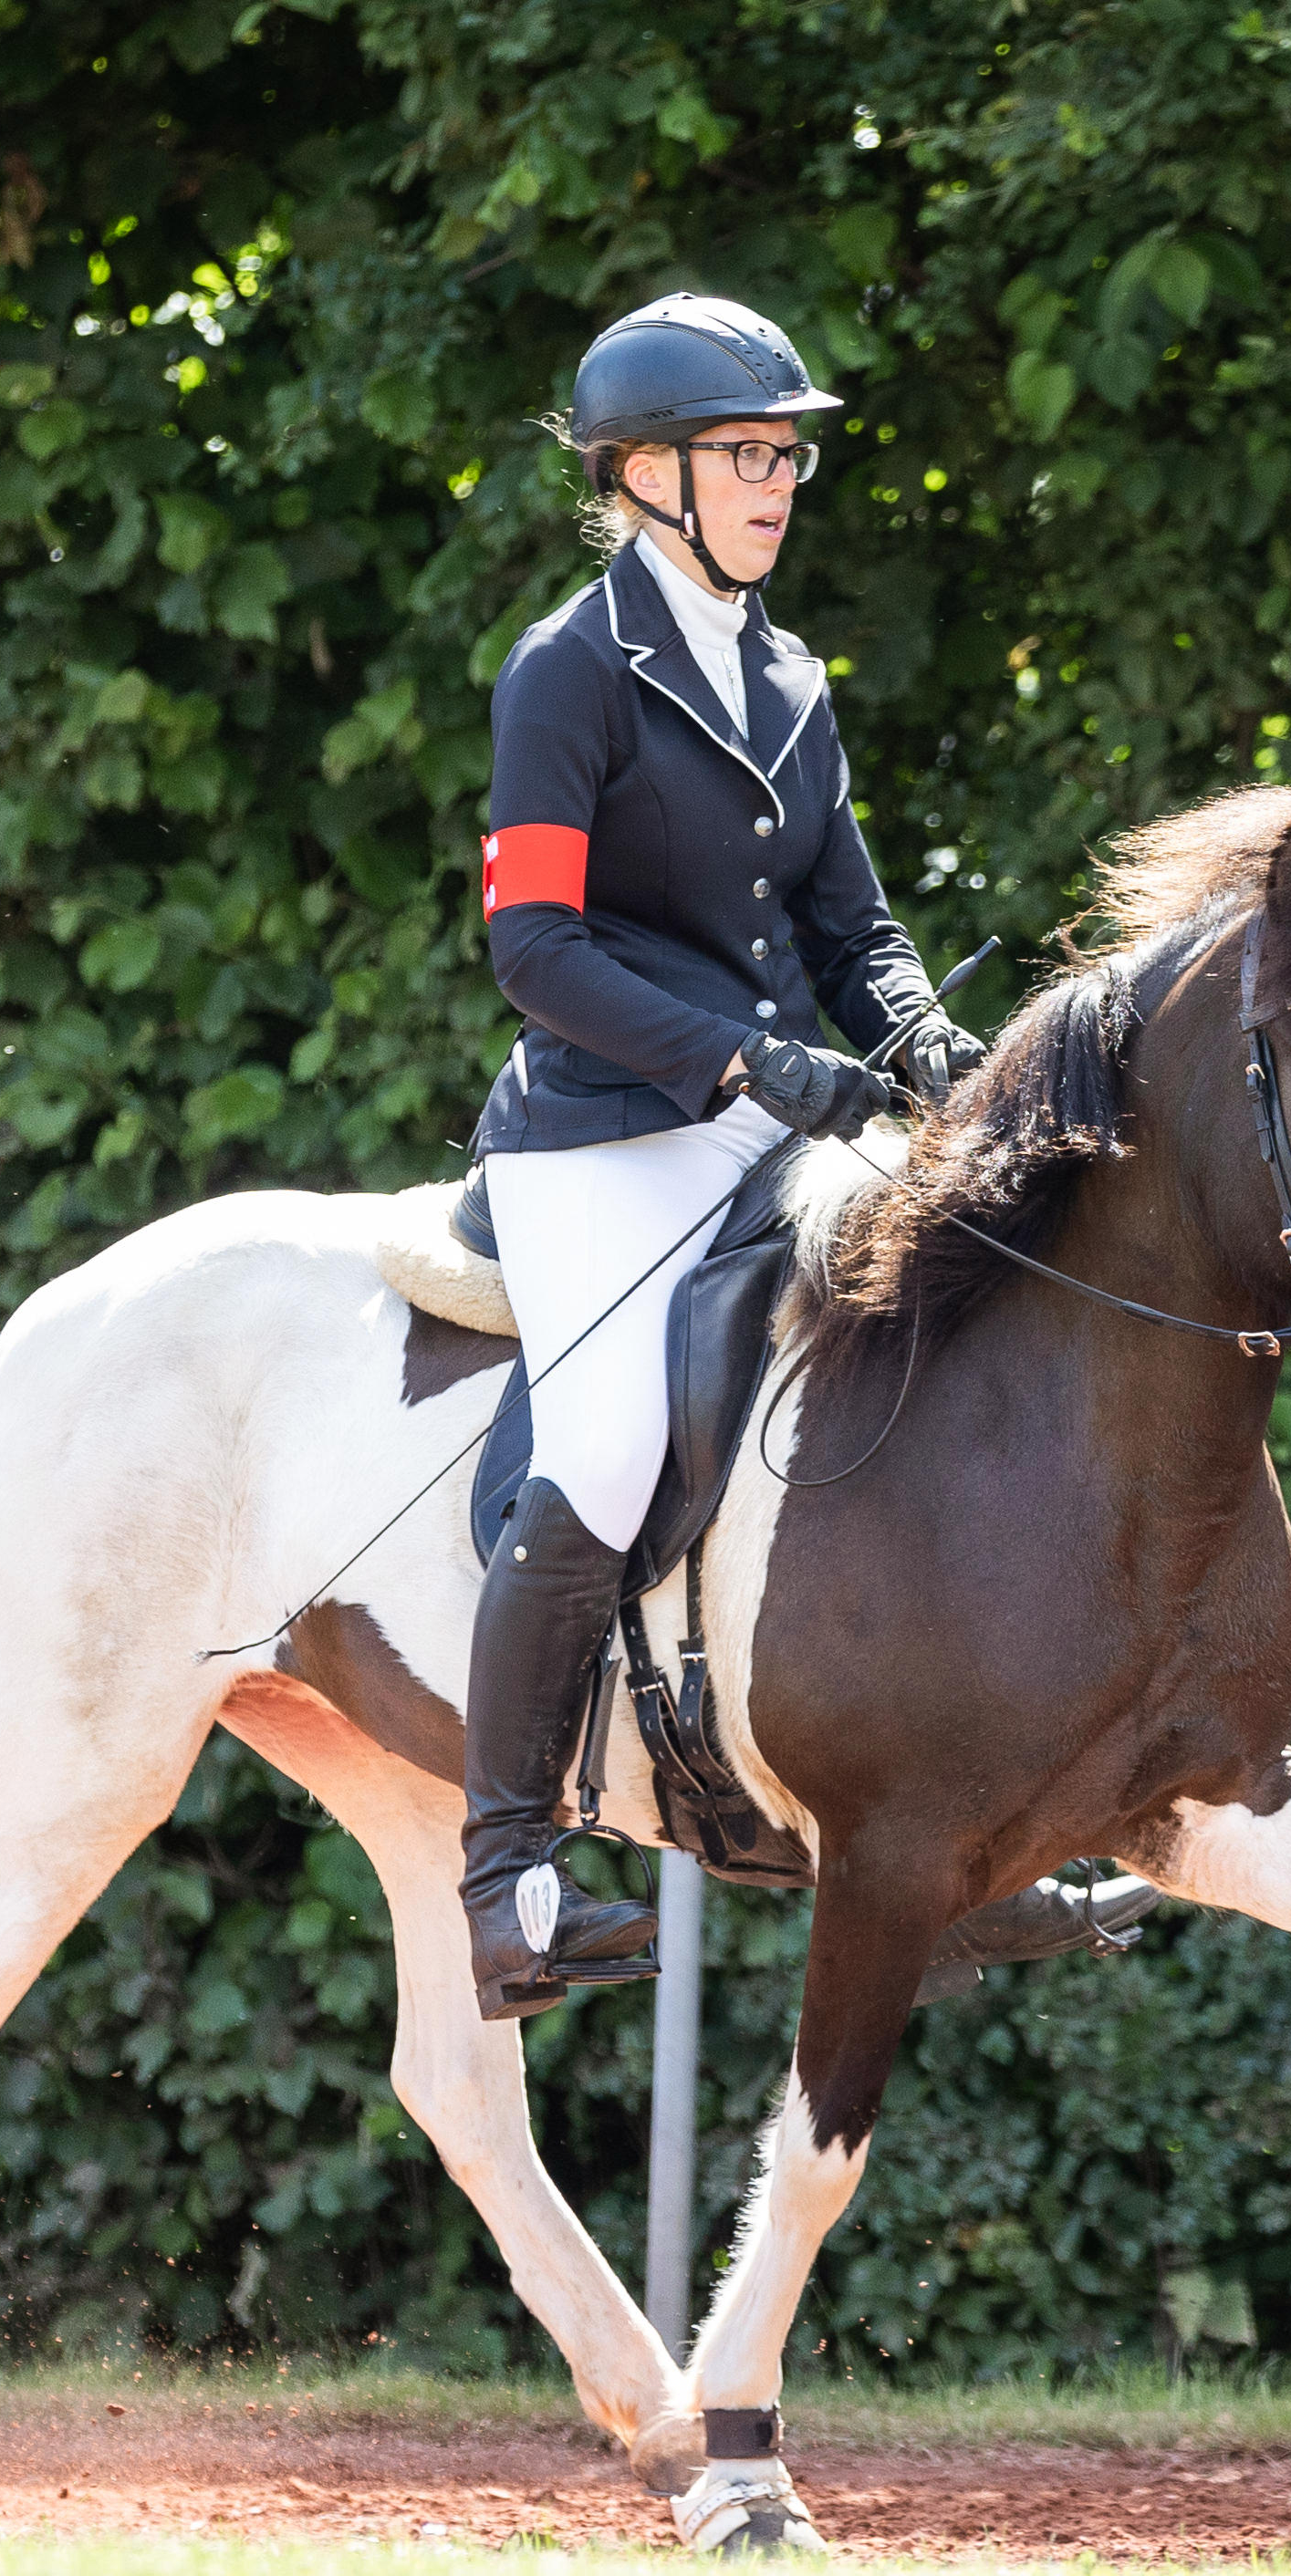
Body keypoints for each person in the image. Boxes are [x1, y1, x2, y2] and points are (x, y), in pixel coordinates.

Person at [453, 293, 984, 2020]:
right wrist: (754, 1061)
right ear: (642, 473)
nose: (778, 482)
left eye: (786, 454)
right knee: (603, 1449)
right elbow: (533, 944)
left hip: (769, 1131)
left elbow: (856, 920)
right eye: (746, 454)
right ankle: (510, 1878)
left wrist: (921, 1041)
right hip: (603, 1134)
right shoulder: (564, 669)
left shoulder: (788, 673)